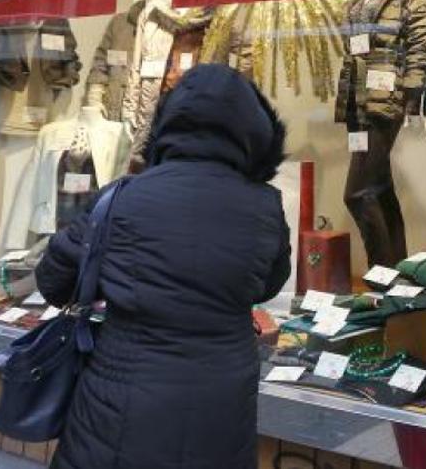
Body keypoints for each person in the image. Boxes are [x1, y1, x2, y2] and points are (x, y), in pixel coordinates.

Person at [35, 64, 291, 469]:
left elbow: (53, 281)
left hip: (119, 400)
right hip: (222, 400)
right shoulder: (265, 206)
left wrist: (116, 281)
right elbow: (267, 286)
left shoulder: (121, 198)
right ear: (255, 133)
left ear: (167, 125)